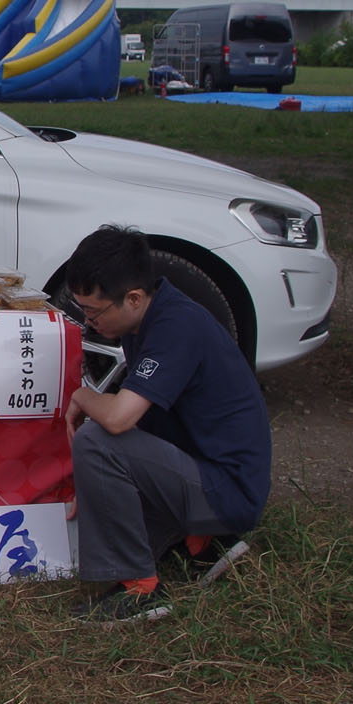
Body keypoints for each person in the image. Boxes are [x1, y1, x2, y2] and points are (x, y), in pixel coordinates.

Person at [60, 225, 269, 622]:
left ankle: (140, 588)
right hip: (210, 470)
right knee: (103, 471)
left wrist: (82, 396)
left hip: (227, 488)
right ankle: (203, 543)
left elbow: (120, 420)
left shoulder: (177, 327)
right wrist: (93, 490)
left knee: (96, 440)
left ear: (134, 297)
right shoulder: (148, 319)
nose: (89, 323)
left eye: (93, 311)